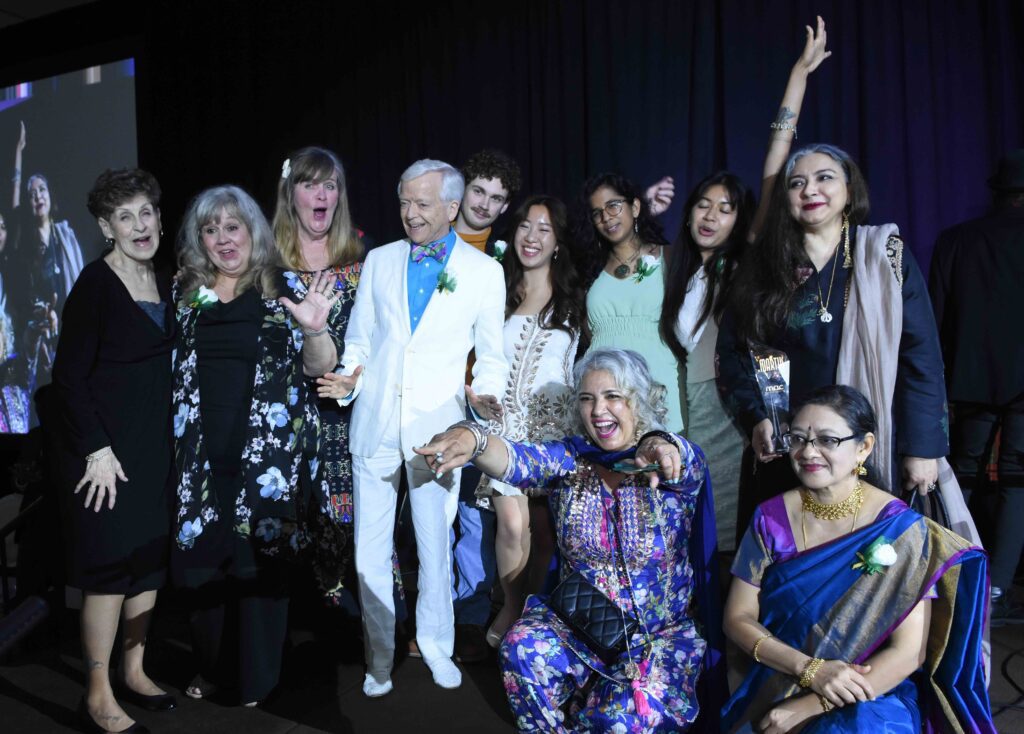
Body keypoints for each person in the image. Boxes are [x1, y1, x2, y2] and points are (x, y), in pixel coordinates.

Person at [416, 348, 724, 733]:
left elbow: (685, 458)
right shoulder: (569, 460)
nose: (598, 410)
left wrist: (662, 444)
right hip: (578, 624)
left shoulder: (668, 466)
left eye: (613, 396)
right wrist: (472, 438)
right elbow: (515, 459)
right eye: (587, 398)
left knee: (616, 721)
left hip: (653, 638)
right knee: (520, 648)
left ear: (638, 400)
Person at [318, 159, 507, 696]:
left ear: (452, 207)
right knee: (369, 551)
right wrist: (348, 380)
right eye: (404, 202)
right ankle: (378, 658)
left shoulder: (484, 272)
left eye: (423, 204)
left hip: (437, 432)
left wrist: (483, 398)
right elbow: (360, 340)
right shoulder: (379, 260)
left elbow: (491, 356)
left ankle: (437, 646)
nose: (410, 213)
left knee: (434, 546)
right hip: (375, 423)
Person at [721, 385, 993, 733]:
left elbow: (909, 652)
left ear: (864, 447)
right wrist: (810, 670)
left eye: (827, 440)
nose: (808, 452)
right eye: (799, 438)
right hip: (780, 677)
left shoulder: (901, 531)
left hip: (874, 692)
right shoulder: (770, 517)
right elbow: (737, 617)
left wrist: (814, 702)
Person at [660, 18, 831, 551]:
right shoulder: (678, 270)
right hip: (687, 404)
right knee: (694, 523)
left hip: (730, 406)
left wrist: (797, 79)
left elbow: (776, 166)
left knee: (728, 526)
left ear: (742, 219)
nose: (711, 217)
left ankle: (730, 624)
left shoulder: (745, 261)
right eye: (703, 207)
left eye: (726, 209)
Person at [171, 185, 340, 706]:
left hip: (267, 460)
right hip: (199, 457)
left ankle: (257, 677)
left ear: (252, 231)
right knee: (204, 566)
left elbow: (320, 367)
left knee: (261, 567)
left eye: (232, 226)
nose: (223, 238)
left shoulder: (280, 286)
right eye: (210, 229)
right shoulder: (187, 293)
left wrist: (314, 330)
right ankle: (214, 667)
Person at [716, 143, 948, 510]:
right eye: (796, 183)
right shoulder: (763, 266)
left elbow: (921, 357)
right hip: (786, 447)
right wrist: (756, 419)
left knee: (865, 559)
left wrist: (922, 449)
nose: (810, 190)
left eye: (824, 178)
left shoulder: (885, 256)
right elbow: (731, 354)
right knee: (788, 556)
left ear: (850, 191)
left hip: (864, 445)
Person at [51, 168, 175, 734]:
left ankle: (134, 670)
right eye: (125, 216)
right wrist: (96, 449)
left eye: (145, 211)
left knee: (147, 560)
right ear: (106, 226)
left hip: (154, 450)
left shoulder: (169, 281)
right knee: (107, 571)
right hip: (106, 457)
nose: (139, 225)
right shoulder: (95, 287)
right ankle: (97, 694)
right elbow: (69, 379)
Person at [476, 195, 587, 649]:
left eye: (544, 228)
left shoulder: (577, 297)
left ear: (558, 241)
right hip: (504, 426)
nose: (532, 237)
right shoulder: (495, 291)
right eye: (525, 226)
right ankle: (511, 603)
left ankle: (532, 608)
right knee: (511, 525)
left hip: (553, 430)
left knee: (544, 533)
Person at [930, 149, 1024, 623]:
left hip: (968, 377)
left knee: (961, 474)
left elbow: (936, 315)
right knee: (1016, 479)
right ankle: (999, 585)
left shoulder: (956, 239)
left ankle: (958, 575)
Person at [272, 146, 363, 605]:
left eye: (330, 185)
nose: (321, 194)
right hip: (284, 424)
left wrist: (357, 377)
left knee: (350, 530)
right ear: (291, 194)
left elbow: (383, 346)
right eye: (310, 184)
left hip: (346, 420)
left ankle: (351, 626)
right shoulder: (266, 270)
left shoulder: (363, 263)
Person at [448, 148, 522, 662]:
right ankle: (432, 610)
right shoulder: (429, 243)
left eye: (497, 198)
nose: (486, 203)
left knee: (477, 518)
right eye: (479, 190)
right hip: (430, 397)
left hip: (480, 401)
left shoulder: (508, 256)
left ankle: (469, 616)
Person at [577, 173, 683, 432]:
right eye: (597, 212)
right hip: (602, 392)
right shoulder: (589, 269)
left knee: (661, 465)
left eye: (613, 206)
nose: (606, 217)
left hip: (656, 383)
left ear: (635, 207)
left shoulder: (669, 257)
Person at [10, 121, 85, 399]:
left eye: (41, 190)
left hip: (68, 329)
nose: (37, 196)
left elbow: (76, 283)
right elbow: (14, 200)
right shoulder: (27, 242)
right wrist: (19, 150)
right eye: (32, 194)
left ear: (50, 196)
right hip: (39, 333)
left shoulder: (65, 235)